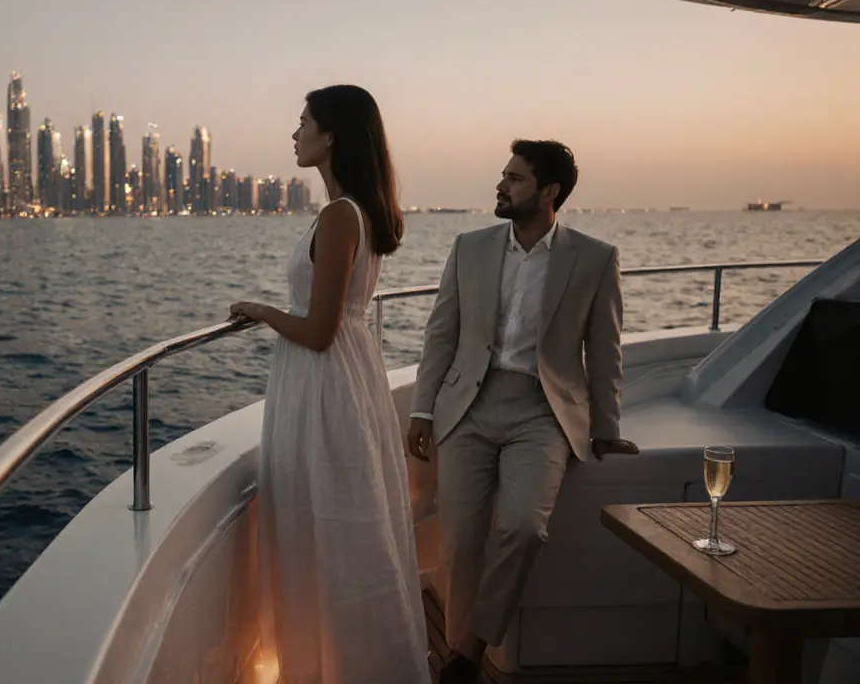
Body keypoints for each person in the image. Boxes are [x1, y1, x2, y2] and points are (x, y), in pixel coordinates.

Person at [405, 139, 632, 684]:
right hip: (469, 406)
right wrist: (422, 411)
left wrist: (606, 427)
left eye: (515, 178)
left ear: (549, 192)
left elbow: (605, 350)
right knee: (459, 543)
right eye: (503, 175)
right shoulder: (470, 247)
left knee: (525, 527)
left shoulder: (595, 258)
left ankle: (468, 646)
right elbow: (442, 335)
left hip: (542, 412)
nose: (501, 185)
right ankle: (461, 661)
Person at [228, 84, 429, 683]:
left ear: (332, 135)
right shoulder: (354, 210)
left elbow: (318, 331)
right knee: (344, 520)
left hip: (324, 382)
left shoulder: (341, 215)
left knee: (326, 525)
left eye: (304, 122)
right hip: (343, 376)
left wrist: (263, 311)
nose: (295, 134)